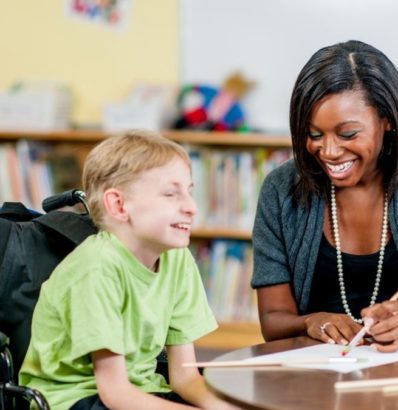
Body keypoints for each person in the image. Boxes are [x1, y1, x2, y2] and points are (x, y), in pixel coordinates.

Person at [251, 40, 398, 353]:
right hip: (317, 378)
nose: (327, 151)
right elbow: (273, 321)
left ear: (388, 119)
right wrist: (311, 321)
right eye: (314, 134)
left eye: (347, 134)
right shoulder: (281, 188)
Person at [19, 131, 239, 409]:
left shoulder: (178, 258)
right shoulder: (96, 268)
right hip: (75, 398)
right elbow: (115, 393)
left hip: (139, 391)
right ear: (119, 205)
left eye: (190, 192)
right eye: (171, 194)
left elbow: (184, 377)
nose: (192, 207)